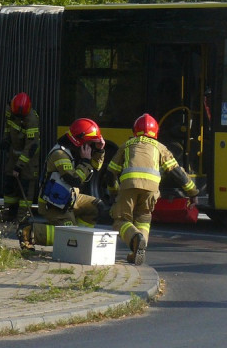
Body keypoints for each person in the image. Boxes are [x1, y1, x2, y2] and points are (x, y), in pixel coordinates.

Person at [106, 113, 198, 265]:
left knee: (120, 219)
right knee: (143, 218)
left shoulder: (127, 145)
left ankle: (135, 238)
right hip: (151, 189)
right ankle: (138, 249)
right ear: (155, 132)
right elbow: (177, 172)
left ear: (135, 130)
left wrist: (113, 192)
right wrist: (193, 192)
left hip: (129, 186)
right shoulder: (160, 148)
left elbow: (111, 172)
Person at [19, 118, 106, 250]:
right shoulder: (60, 154)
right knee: (69, 235)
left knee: (96, 207)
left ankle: (80, 239)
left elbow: (95, 167)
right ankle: (29, 231)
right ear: (81, 142)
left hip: (69, 198)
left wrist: (99, 151)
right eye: (90, 143)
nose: (91, 146)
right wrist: (85, 161)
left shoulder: (76, 149)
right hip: (54, 204)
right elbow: (75, 180)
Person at [1, 92, 41, 222]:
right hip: (14, 153)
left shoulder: (31, 120)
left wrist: (19, 166)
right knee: (9, 183)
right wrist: (6, 139)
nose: (17, 117)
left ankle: (22, 219)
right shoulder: (10, 110)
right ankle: (8, 214)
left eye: (20, 116)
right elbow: (7, 126)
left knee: (26, 186)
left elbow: (32, 146)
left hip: (29, 159)